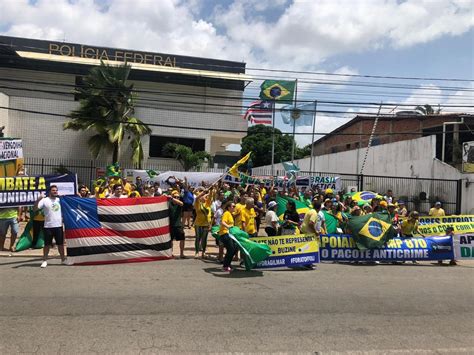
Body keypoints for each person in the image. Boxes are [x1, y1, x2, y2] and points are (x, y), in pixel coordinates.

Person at [34, 185, 67, 268]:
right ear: (50, 191)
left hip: (58, 225)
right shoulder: (45, 200)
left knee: (60, 244)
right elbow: (35, 209)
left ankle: (63, 260)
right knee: (47, 245)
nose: (55, 191)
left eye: (56, 190)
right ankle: (44, 260)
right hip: (48, 226)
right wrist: (38, 199)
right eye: (53, 190)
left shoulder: (60, 200)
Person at [193, 187, 213, 259]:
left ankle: (203, 252)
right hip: (198, 223)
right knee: (198, 238)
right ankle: (197, 252)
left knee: (204, 238)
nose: (205, 198)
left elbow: (210, 196)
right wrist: (203, 192)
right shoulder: (197, 204)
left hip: (206, 224)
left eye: (205, 197)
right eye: (203, 197)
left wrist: (210, 190)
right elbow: (196, 198)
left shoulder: (208, 204)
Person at [219, 201, 238, 273]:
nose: (234, 208)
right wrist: (228, 226)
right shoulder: (226, 213)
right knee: (231, 249)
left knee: (235, 248)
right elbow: (223, 222)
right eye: (233, 206)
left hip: (230, 234)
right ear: (228, 207)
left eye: (234, 206)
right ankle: (225, 266)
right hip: (225, 233)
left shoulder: (230, 214)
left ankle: (228, 263)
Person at [168, 190, 185, 259]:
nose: (177, 198)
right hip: (170, 225)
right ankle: (171, 253)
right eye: (175, 197)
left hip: (178, 225)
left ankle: (181, 254)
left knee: (182, 238)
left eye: (178, 197)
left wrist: (172, 198)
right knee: (170, 240)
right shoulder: (169, 203)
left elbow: (181, 203)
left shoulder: (179, 204)